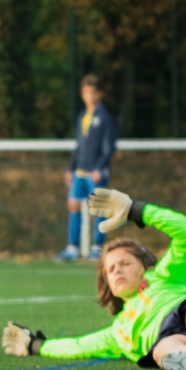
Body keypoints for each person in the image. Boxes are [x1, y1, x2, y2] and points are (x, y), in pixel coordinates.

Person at [3, 187, 186, 370]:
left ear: (144, 266)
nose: (117, 270)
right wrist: (35, 345)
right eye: (110, 269)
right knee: (163, 348)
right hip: (168, 337)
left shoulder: (166, 275)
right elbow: (77, 345)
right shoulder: (118, 331)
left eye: (125, 263)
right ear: (107, 285)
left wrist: (136, 210)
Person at [56, 73, 117, 261]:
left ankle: (97, 246)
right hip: (79, 171)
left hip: (95, 173)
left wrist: (100, 168)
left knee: (100, 209)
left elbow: (109, 147)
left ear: (100, 94)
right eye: (86, 92)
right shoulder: (82, 116)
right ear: (82, 94)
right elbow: (79, 146)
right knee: (73, 205)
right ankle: (72, 247)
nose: (89, 96)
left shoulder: (105, 117)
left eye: (93, 92)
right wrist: (70, 169)